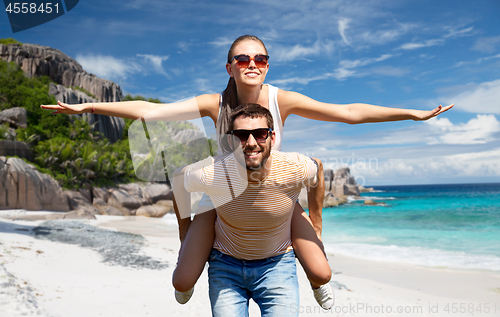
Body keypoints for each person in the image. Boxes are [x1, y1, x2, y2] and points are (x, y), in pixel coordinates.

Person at [41, 34, 453, 309]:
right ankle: (194, 256)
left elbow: (347, 112)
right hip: (222, 197)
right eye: (243, 58)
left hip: (273, 195)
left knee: (321, 270)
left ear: (267, 66)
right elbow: (150, 113)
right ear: (230, 67)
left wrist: (411, 115)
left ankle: (312, 276)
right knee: (182, 282)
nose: (252, 63)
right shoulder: (212, 103)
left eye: (260, 58)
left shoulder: (282, 100)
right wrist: (89, 106)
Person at [174, 103, 320, 316]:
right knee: (181, 280)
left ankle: (317, 283)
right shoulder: (212, 171)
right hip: (225, 263)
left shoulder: (295, 167)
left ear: (272, 137)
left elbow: (319, 168)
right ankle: (188, 271)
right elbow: (179, 179)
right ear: (231, 140)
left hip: (277, 263)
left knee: (322, 274)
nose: (251, 143)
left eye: (260, 134)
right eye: (242, 136)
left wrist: (318, 223)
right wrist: (184, 232)